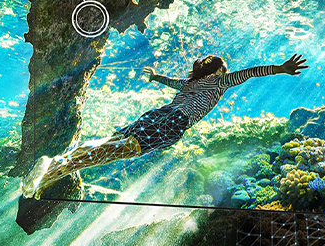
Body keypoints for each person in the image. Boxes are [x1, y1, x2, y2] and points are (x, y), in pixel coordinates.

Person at [21, 53, 308, 199]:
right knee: (119, 150)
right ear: (220, 70)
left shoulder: (190, 82)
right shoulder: (219, 82)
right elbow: (250, 73)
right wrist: (280, 69)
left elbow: (168, 81)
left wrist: (155, 76)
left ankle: (57, 164)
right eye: (225, 69)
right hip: (173, 123)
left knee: (110, 144)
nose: (228, 73)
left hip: (157, 114)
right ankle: (55, 168)